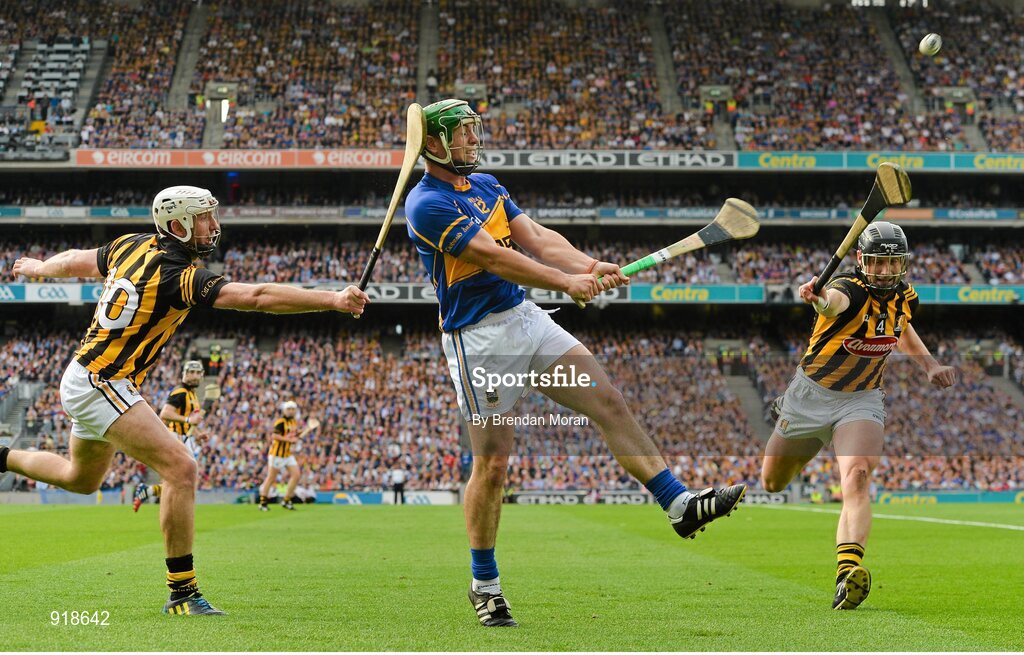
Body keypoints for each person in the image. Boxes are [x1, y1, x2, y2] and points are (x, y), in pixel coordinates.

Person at [404, 99, 746, 628]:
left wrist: (587, 265)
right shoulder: (425, 204)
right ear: (434, 144)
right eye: (463, 132)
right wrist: (566, 283)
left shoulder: (489, 187)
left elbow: (536, 239)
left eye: (474, 130)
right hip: (480, 339)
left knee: (608, 400)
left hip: (523, 317)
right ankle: (485, 583)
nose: (474, 139)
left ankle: (678, 505)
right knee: (494, 465)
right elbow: (493, 257)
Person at [2, 185, 369, 616]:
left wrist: (41, 267)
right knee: (181, 467)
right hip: (103, 381)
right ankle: (182, 593)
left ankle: (2, 455)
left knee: (81, 480)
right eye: (205, 218)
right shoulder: (180, 275)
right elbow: (256, 297)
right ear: (178, 226)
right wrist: (333, 299)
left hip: (88, 377)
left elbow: (77, 258)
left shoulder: (130, 244)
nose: (214, 226)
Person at [760, 222, 957, 610]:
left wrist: (929, 365)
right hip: (810, 397)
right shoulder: (849, 289)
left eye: (893, 263)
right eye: (878, 263)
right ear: (862, 260)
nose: (885, 271)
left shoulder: (906, 296)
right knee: (772, 482)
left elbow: (902, 327)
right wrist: (817, 299)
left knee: (858, 475)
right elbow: (831, 302)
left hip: (862, 398)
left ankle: (846, 574)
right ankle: (786, 411)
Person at [132, 359, 208, 511]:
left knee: (180, 480)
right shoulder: (180, 392)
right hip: (177, 438)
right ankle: (179, 509)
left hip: (186, 438)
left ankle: (148, 491)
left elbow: (189, 422)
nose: (194, 376)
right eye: (191, 372)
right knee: (184, 479)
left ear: (202, 375)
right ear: (184, 374)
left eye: (197, 373)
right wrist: (188, 419)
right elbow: (165, 413)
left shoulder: (191, 394)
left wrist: (198, 434)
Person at [258, 401, 319, 511]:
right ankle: (263, 502)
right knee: (271, 478)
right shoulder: (280, 422)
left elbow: (294, 435)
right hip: (277, 454)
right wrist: (289, 440)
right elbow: (275, 435)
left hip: (287, 454)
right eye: (289, 409)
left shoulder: (293, 422)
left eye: (293, 409)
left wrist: (305, 430)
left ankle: (286, 500)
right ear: (284, 410)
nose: (291, 411)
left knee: (296, 475)